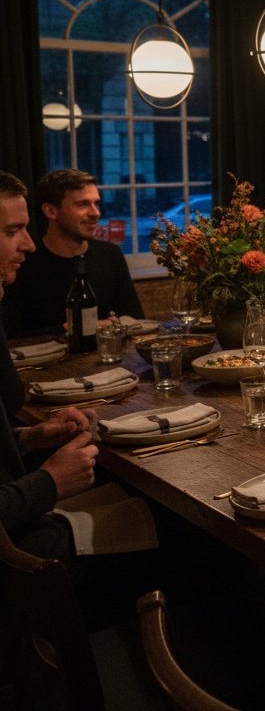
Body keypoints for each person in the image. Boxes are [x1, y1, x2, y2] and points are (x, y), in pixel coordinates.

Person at [0, 172, 99, 563]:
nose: (28, 243)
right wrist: (50, 481)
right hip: (23, 565)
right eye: (12, 231)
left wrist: (27, 437)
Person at [2, 169, 143, 338]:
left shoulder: (109, 254)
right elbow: (10, 335)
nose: (95, 213)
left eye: (96, 203)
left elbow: (136, 318)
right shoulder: (18, 259)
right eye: (83, 204)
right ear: (50, 211)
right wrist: (75, 328)